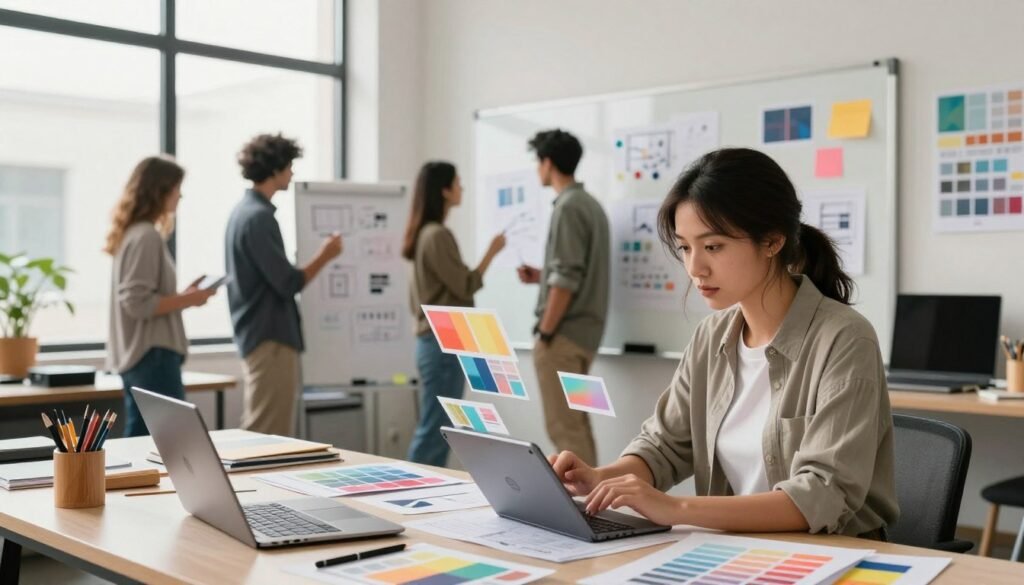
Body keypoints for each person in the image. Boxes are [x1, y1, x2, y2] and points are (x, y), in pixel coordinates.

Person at [548, 148, 899, 538]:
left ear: (771, 241)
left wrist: (674, 508)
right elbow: (664, 446)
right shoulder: (711, 337)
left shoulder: (845, 339)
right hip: (734, 554)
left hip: (831, 557)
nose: (695, 268)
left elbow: (821, 493)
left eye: (712, 246)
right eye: (685, 247)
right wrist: (600, 477)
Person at [226, 133, 343, 436]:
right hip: (271, 338)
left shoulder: (242, 214)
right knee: (267, 433)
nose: (292, 173)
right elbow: (288, 282)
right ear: (275, 168)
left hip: (258, 334)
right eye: (289, 165)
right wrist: (325, 255)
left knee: (263, 428)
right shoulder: (259, 218)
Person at [403, 161, 506, 466]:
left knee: (437, 428)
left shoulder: (426, 233)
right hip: (442, 343)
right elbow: (464, 285)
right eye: (458, 183)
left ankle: (416, 496)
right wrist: (491, 253)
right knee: (436, 431)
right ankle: (410, 496)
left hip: (436, 343)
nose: (462, 188)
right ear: (445, 190)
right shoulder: (436, 235)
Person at [517, 129, 610, 466]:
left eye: (537, 161)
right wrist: (542, 278)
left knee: (565, 429)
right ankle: (592, 504)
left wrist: (545, 331)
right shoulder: (589, 205)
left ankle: (583, 510)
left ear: (548, 162)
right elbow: (575, 272)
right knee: (578, 425)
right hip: (584, 337)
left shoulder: (568, 207)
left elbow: (567, 279)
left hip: (563, 338)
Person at [105, 155, 216, 437]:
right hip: (151, 356)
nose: (181, 195)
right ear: (162, 191)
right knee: (163, 440)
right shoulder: (146, 236)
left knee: (149, 437)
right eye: (178, 188)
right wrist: (190, 299)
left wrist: (183, 296)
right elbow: (137, 303)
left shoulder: (132, 234)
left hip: (142, 356)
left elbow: (140, 297)